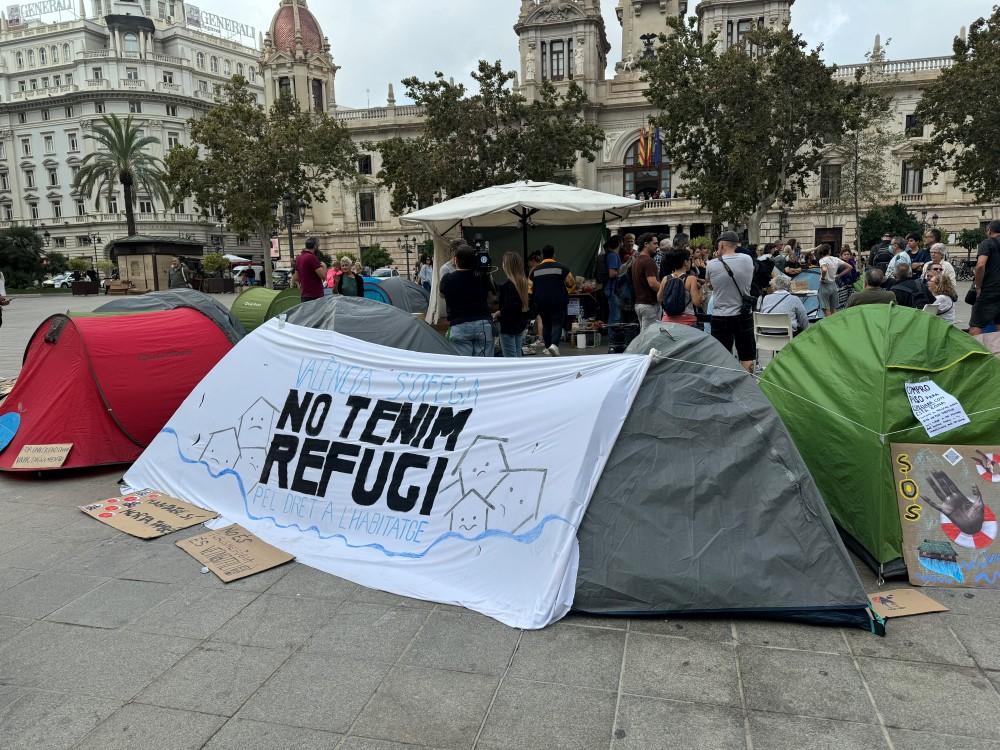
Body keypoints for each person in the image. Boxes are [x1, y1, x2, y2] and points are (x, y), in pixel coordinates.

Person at [706, 230, 756, 372]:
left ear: (721, 245)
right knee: (746, 354)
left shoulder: (712, 264)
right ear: (736, 244)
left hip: (720, 316)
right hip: (743, 313)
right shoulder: (747, 259)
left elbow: (710, 285)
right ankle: (747, 386)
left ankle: (725, 383)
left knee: (722, 355)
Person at [440, 244, 493, 356]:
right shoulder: (482, 277)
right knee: (483, 365)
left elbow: (442, 295)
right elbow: (492, 297)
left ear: (456, 260)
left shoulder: (448, 279)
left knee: (463, 367)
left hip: (459, 325)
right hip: (482, 323)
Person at [529, 244, 575, 356]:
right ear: (554, 255)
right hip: (558, 301)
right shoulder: (562, 268)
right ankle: (554, 345)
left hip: (541, 302)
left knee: (546, 324)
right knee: (557, 323)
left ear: (543, 255)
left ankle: (547, 347)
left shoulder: (534, 270)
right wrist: (566, 292)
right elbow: (571, 283)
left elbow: (529, 289)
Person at [494, 252, 531, 357]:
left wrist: (498, 313)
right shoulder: (523, 283)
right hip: (519, 325)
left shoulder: (508, 286)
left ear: (506, 265)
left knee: (510, 359)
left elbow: (510, 307)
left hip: (508, 327)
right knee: (517, 356)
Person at [657, 247, 703, 326]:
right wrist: (701, 290)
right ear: (685, 262)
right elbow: (697, 302)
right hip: (687, 321)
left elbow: (659, 299)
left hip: (667, 320)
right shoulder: (691, 279)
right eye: (689, 259)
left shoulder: (666, 279)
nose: (690, 262)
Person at [970, 220, 1000, 336]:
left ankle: (975, 351)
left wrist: (978, 286)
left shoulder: (987, 243)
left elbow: (981, 265)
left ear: (989, 230)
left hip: (989, 289)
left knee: (976, 324)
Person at [631, 232, 661, 332]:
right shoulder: (648, 261)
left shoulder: (636, 261)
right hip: (649, 305)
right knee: (650, 337)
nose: (657, 246)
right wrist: (666, 290)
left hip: (640, 305)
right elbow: (652, 283)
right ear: (646, 244)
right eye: (655, 243)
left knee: (644, 335)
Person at [292, 237, 327, 303]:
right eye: (318, 245)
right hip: (315, 295)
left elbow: (296, 277)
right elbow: (323, 277)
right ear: (315, 246)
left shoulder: (299, 258)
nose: (318, 247)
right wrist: (325, 267)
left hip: (304, 295)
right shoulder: (312, 257)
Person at [817, 244, 848, 316]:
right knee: (833, 309)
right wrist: (838, 275)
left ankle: (828, 325)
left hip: (825, 285)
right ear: (829, 251)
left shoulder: (822, 260)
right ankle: (834, 325)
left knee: (826, 308)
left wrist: (823, 278)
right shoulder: (835, 259)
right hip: (833, 285)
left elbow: (824, 270)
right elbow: (849, 267)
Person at [602, 236, 623, 325]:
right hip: (612, 290)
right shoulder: (613, 256)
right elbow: (612, 273)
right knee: (615, 316)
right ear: (618, 243)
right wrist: (622, 271)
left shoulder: (610, 254)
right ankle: (612, 338)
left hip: (610, 289)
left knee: (614, 314)